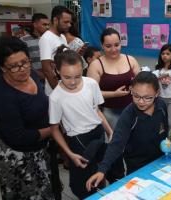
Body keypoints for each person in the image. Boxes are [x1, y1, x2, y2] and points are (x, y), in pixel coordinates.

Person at [85, 71, 168, 191]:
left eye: (147, 97)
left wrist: (168, 144)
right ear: (131, 90)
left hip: (160, 159)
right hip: (137, 166)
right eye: (136, 96)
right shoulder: (129, 115)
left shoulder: (161, 106)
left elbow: (164, 129)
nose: (141, 101)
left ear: (157, 94)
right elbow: (116, 143)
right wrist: (102, 169)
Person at [0, 36, 55, 199]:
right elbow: (19, 136)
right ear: (2, 68)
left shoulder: (32, 74)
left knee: (47, 190)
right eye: (14, 66)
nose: (22, 69)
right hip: (18, 155)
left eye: (25, 62)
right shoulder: (2, 95)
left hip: (40, 147)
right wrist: (53, 129)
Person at [49, 46, 113, 199]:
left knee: (100, 170)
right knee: (83, 181)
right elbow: (54, 129)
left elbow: (96, 110)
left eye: (77, 76)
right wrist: (70, 154)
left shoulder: (91, 84)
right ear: (57, 71)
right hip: (78, 140)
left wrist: (109, 130)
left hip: (98, 132)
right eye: (67, 77)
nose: (72, 82)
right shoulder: (56, 97)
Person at [87, 28, 141, 129]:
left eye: (117, 45)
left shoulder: (131, 60)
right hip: (109, 112)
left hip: (132, 108)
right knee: (115, 140)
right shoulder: (96, 65)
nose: (113, 49)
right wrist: (114, 94)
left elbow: (142, 83)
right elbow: (91, 94)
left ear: (121, 44)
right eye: (108, 46)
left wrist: (137, 87)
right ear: (102, 46)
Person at [39, 5, 72, 95]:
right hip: (55, 91)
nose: (69, 25)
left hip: (65, 86)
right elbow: (47, 69)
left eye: (70, 22)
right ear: (55, 20)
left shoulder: (62, 37)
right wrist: (58, 90)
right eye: (66, 22)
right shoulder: (46, 38)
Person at [152, 44, 171, 130]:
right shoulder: (158, 65)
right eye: (163, 53)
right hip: (161, 97)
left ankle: (166, 136)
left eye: (168, 54)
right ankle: (162, 136)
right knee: (160, 119)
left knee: (170, 122)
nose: (165, 55)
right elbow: (155, 77)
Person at [20, 13, 50, 81]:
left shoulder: (50, 39)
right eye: (44, 24)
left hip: (50, 75)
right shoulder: (24, 40)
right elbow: (23, 61)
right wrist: (38, 73)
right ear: (35, 25)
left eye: (48, 25)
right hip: (33, 77)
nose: (47, 27)